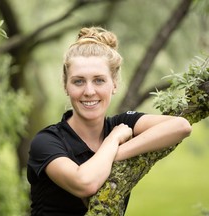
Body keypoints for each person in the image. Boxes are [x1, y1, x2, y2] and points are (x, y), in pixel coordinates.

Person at [27, 26, 192, 216]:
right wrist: (112, 140)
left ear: (114, 83)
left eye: (99, 80)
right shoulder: (47, 141)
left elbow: (181, 126)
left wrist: (116, 152)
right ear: (66, 86)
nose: (89, 91)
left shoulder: (121, 123)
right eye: (78, 81)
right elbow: (85, 183)